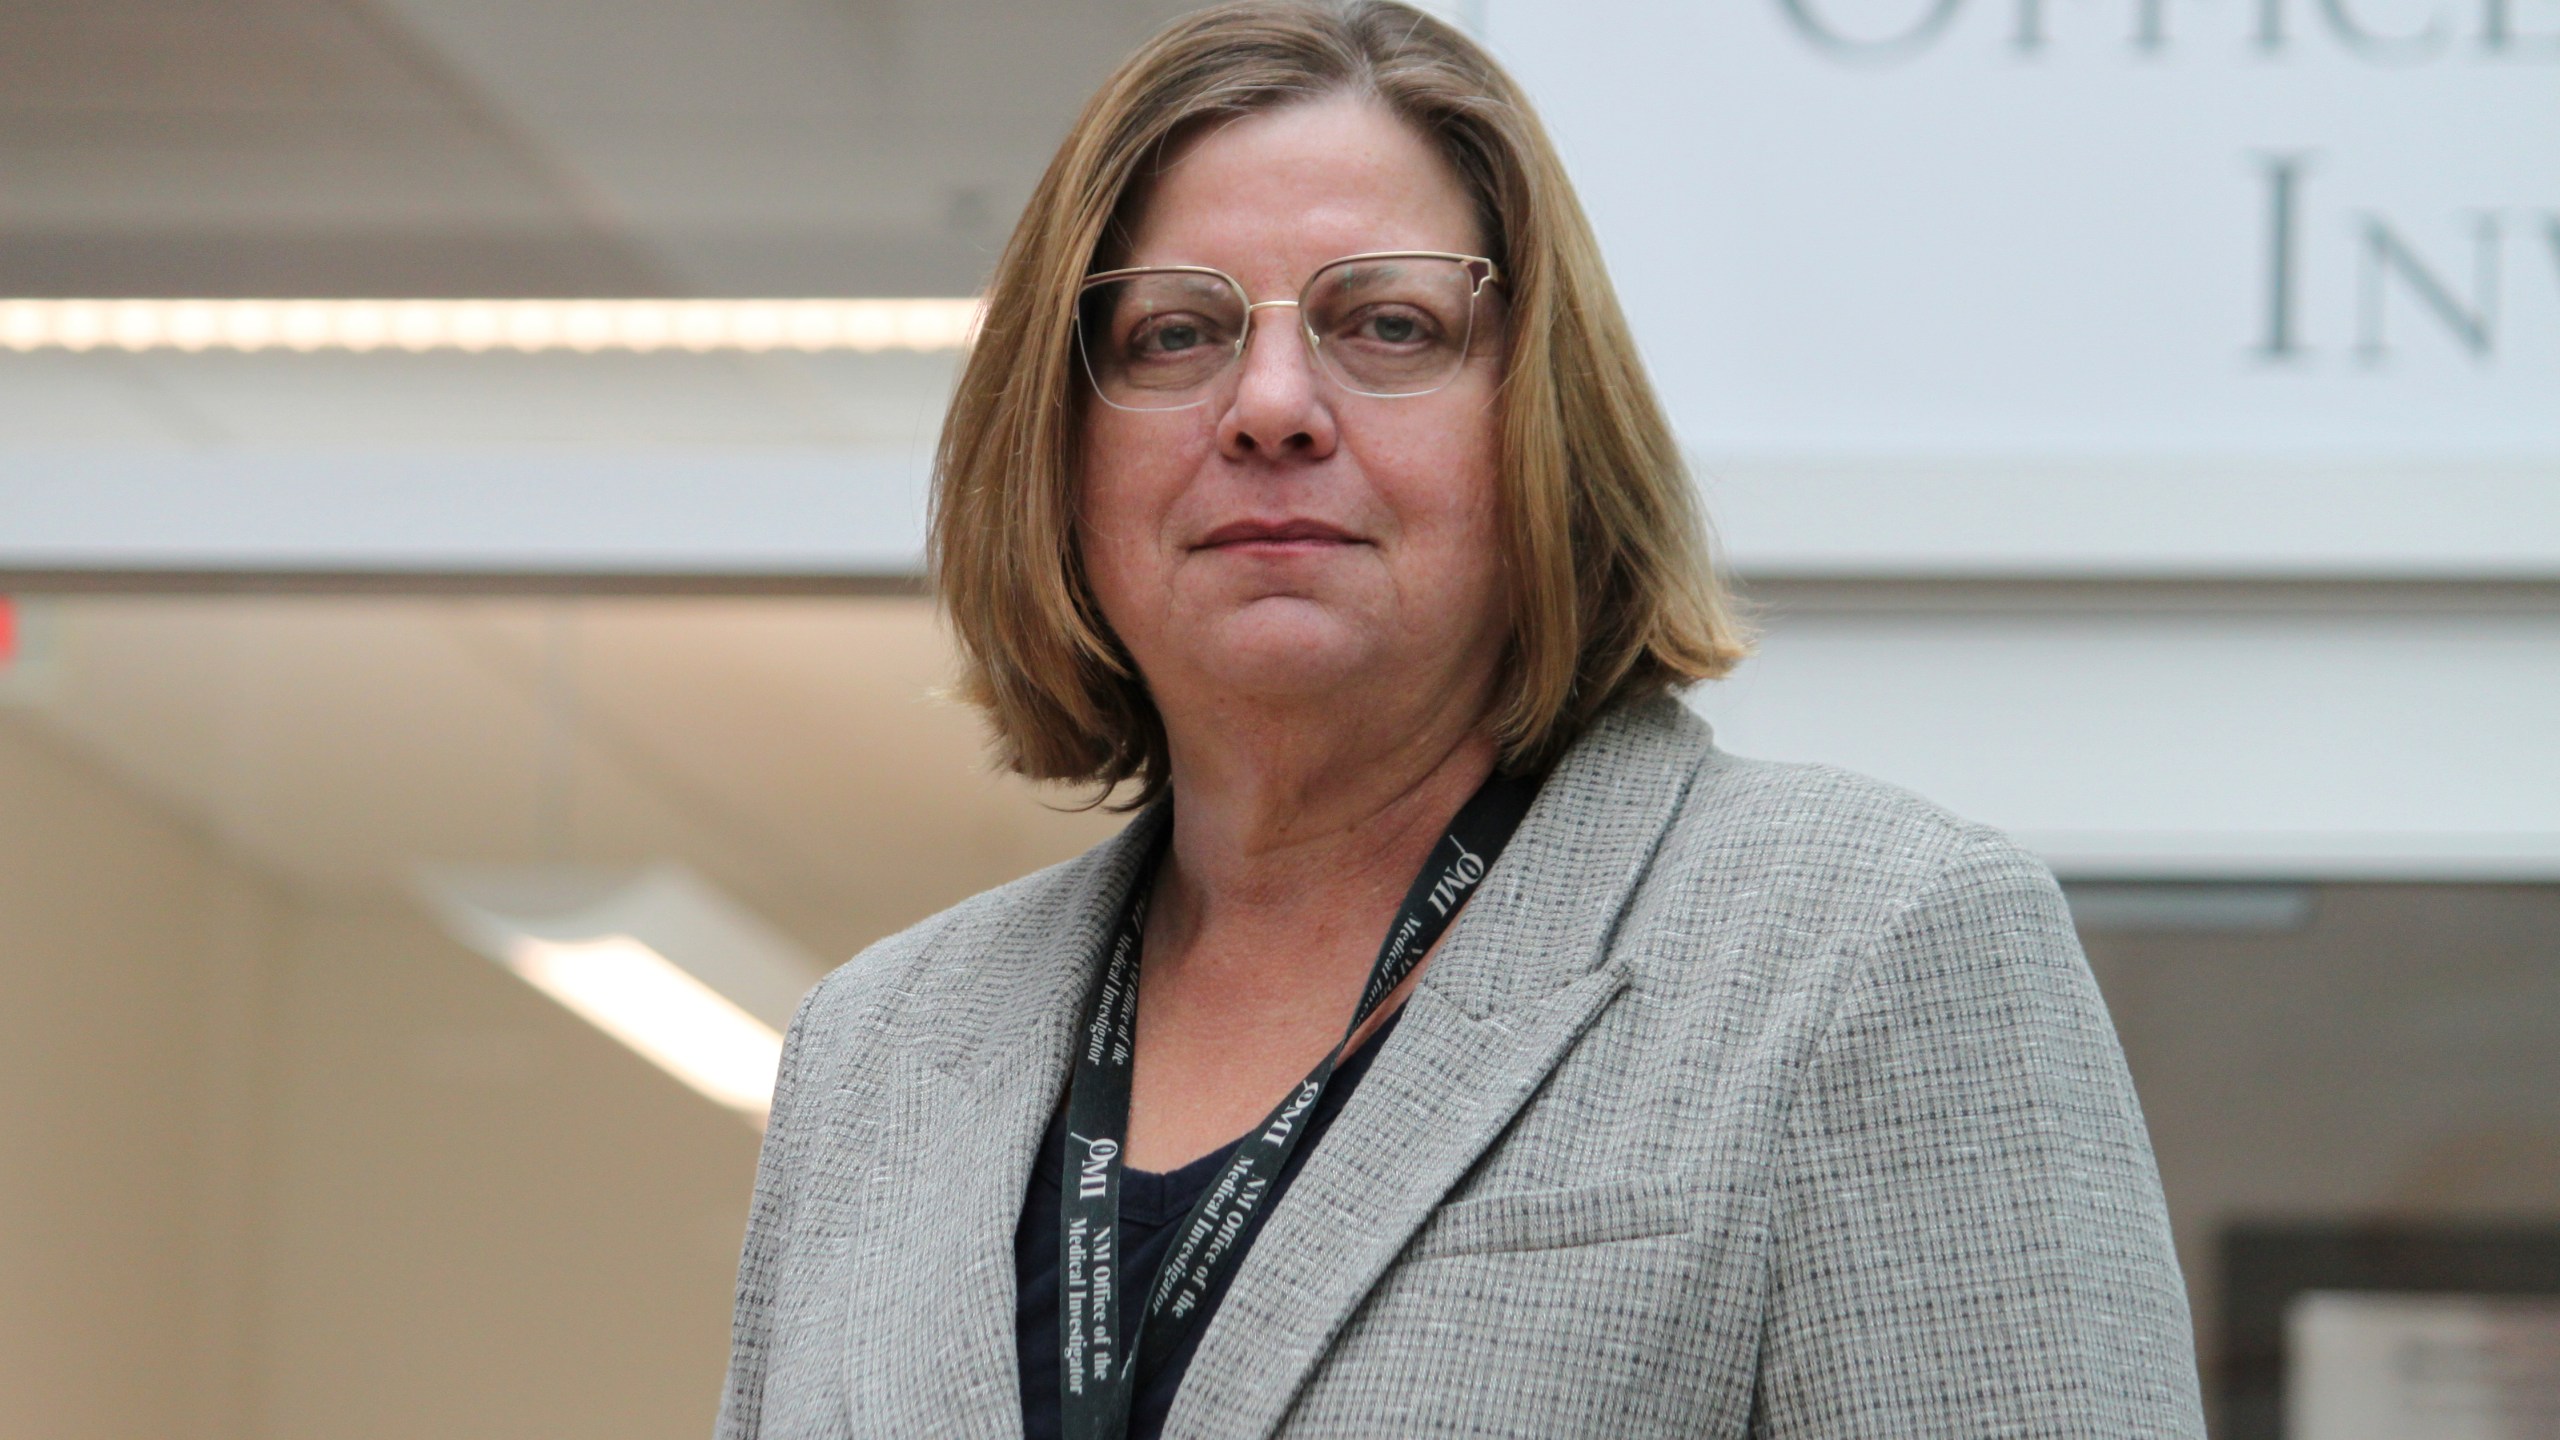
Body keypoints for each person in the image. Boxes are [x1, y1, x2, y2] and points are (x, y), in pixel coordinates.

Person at [715, 2, 2205, 1435]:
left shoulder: (1871, 944)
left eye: (1390, 324)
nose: (1273, 404)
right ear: (1061, 445)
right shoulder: (882, 1049)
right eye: (1176, 335)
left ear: (1542, 419)